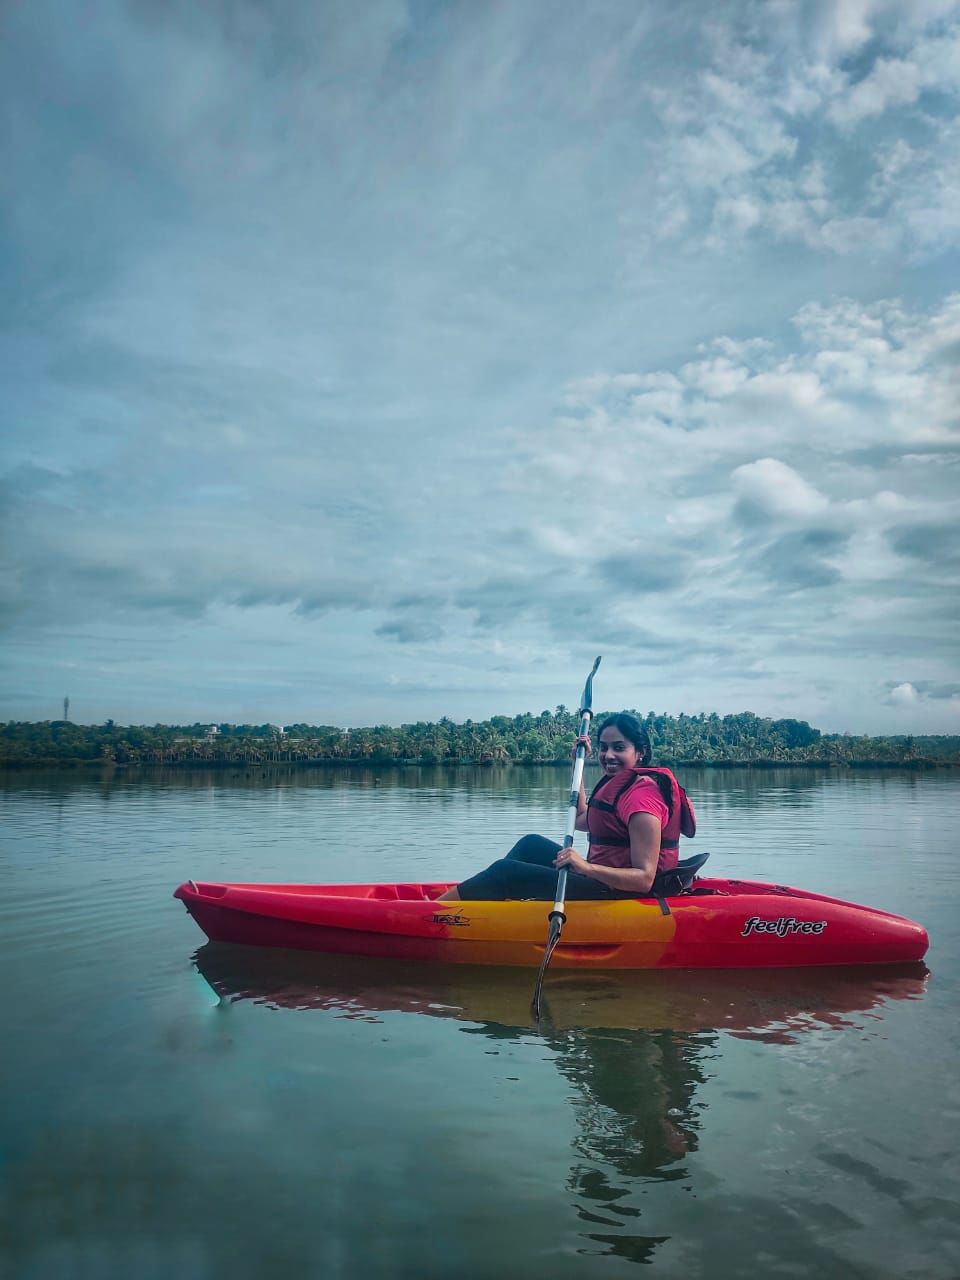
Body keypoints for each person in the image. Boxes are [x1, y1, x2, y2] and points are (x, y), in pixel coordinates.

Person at [435, 712, 695, 901]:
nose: (608, 755)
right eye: (604, 748)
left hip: (619, 893)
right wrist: (577, 764)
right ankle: (492, 902)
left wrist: (585, 867)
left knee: (505, 872)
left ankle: (437, 912)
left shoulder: (642, 799)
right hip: (601, 881)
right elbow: (582, 817)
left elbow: (643, 879)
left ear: (640, 752)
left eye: (619, 748)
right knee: (530, 844)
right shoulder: (621, 785)